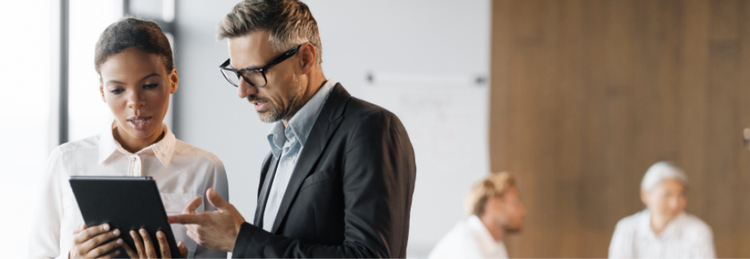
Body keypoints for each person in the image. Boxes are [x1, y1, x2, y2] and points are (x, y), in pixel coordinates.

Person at [167, 0, 417, 258]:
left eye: (255, 72)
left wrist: (242, 239)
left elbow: (368, 255)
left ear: (305, 59)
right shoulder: (275, 153)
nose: (243, 91)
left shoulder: (371, 128)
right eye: (237, 73)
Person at [29, 18, 228, 259]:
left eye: (150, 85)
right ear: (103, 92)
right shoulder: (65, 162)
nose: (135, 101)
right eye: (117, 90)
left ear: (172, 80)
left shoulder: (206, 169)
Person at [608, 161, 716, 259]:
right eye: (666, 195)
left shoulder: (698, 231)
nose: (674, 204)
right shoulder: (627, 228)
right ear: (645, 194)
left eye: (681, 195)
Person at [428, 172, 526, 259]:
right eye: (516, 202)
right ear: (494, 204)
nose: (523, 211)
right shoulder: (465, 242)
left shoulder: (496, 244)